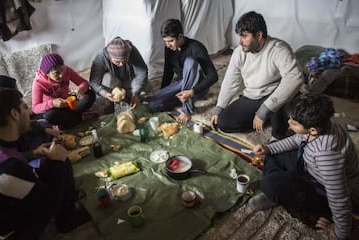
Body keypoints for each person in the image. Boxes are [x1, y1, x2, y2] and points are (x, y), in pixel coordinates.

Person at [0, 88, 90, 239]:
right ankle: (66, 221)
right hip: (14, 231)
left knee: (49, 162)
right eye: (24, 107)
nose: (29, 111)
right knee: (60, 163)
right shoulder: (8, 169)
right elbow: (48, 208)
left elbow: (5, 163)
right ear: (14, 114)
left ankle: (66, 212)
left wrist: (36, 153)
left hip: (0, 206)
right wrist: (59, 161)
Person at [248, 93, 359, 240]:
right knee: (273, 149)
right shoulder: (323, 124)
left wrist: (340, 233)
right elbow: (296, 139)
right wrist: (268, 149)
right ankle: (279, 187)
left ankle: (279, 196)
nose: (288, 123)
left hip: (320, 189)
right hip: (310, 166)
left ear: (313, 130)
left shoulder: (327, 156)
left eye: (294, 123)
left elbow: (339, 197)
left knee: (270, 185)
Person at [210, 11, 304, 139]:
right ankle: (267, 118)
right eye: (239, 36)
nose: (240, 41)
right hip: (252, 96)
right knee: (224, 123)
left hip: (273, 93)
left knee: (280, 109)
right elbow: (231, 80)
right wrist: (220, 107)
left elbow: (295, 78)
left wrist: (265, 109)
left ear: (259, 35)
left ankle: (277, 128)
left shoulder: (279, 49)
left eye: (244, 36)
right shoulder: (239, 52)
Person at [148, 19, 218, 123]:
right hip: (180, 83)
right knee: (153, 104)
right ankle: (182, 97)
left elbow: (213, 76)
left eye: (171, 41)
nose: (168, 45)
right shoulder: (169, 48)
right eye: (166, 42)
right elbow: (168, 71)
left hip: (196, 86)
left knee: (190, 62)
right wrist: (163, 92)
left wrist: (192, 92)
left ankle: (186, 109)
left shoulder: (196, 48)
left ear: (180, 36)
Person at [32, 53, 97, 128]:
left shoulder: (67, 70)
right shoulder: (38, 83)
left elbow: (84, 82)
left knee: (90, 94)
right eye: (56, 73)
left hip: (68, 99)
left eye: (62, 70)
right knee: (49, 116)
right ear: (47, 74)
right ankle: (80, 117)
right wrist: (52, 103)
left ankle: (69, 119)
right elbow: (35, 108)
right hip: (55, 107)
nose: (61, 75)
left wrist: (80, 89)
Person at [89, 36, 148, 108]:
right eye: (117, 61)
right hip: (114, 82)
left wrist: (136, 93)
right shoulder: (101, 57)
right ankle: (114, 100)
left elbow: (142, 72)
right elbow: (93, 82)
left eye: (124, 60)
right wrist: (105, 94)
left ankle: (130, 95)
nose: (121, 64)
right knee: (106, 79)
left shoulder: (132, 51)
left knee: (148, 85)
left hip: (129, 79)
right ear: (110, 57)